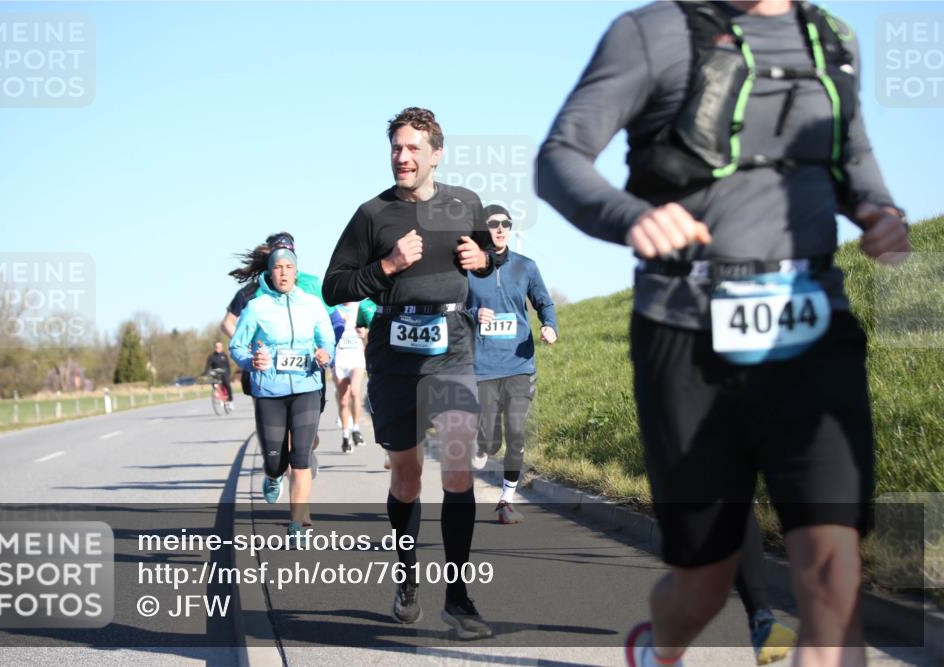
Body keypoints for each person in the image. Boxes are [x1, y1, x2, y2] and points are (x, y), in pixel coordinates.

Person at [536, 2, 910, 666]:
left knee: (834, 575)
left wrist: (879, 211)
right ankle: (661, 646)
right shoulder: (650, 32)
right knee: (703, 581)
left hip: (814, 323)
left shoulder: (830, 36)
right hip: (687, 329)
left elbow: (852, 157)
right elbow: (559, 158)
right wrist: (628, 217)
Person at [323, 107, 496, 639]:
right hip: (396, 358)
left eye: (414, 148)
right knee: (407, 475)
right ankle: (406, 578)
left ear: (436, 153)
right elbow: (334, 286)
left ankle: (459, 596)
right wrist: (388, 267)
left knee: (459, 470)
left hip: (453, 348)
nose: (403, 157)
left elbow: (488, 256)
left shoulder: (465, 203)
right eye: (397, 148)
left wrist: (483, 259)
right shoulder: (373, 215)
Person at [230, 244, 335, 544]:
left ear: (296, 272)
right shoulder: (256, 308)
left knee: (301, 458)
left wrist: (326, 354)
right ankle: (272, 475)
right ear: (270, 273)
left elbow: (327, 340)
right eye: (278, 267)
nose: (283, 272)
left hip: (306, 387)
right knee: (276, 460)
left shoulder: (312, 305)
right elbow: (237, 346)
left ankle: (295, 524)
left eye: (289, 267)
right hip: (270, 391)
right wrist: (251, 361)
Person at [223, 232, 344, 483]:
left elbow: (335, 323)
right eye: (277, 260)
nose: (283, 270)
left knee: (304, 439)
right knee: (280, 451)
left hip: (308, 371)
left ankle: (300, 504)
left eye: (289, 260)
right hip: (268, 377)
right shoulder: (253, 293)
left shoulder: (311, 284)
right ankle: (283, 470)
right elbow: (229, 325)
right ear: (269, 258)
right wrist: (253, 354)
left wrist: (328, 352)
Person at [466, 204, 558, 525]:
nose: (502, 229)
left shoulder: (525, 267)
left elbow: (544, 302)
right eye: (494, 224)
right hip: (484, 366)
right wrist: (472, 315)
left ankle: (506, 498)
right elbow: (452, 309)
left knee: (516, 431)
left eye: (506, 223)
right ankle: (482, 443)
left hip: (520, 363)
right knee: (491, 441)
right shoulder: (469, 269)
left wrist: (550, 326)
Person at [332, 299, 376, 453]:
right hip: (340, 356)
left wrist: (364, 333)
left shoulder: (360, 308)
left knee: (355, 392)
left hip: (356, 355)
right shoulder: (333, 308)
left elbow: (369, 331)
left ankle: (356, 429)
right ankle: (345, 435)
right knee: (343, 399)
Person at [203, 341, 233, 409]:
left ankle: (230, 401)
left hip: (224, 372)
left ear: (222, 347)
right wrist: (205, 372)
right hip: (215, 373)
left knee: (227, 385)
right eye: (217, 347)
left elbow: (228, 365)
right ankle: (216, 393)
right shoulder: (211, 356)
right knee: (213, 382)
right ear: (215, 347)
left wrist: (228, 373)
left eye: (219, 347)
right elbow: (208, 366)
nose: (218, 348)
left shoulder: (224, 355)